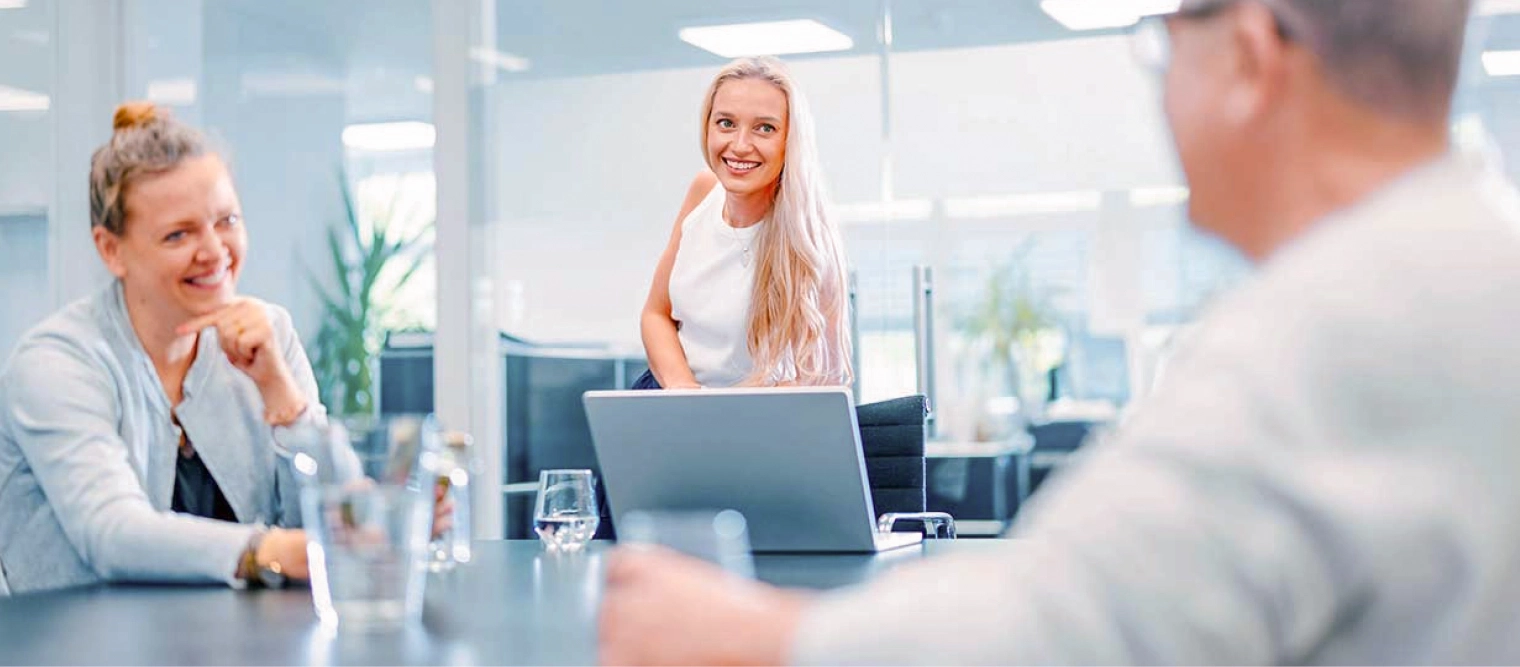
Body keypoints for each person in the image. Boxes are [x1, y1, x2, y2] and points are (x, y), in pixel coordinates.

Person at [599, 0, 1520, 663]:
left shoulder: (1322, 336)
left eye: (1160, 49)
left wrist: (758, 636)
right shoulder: (1471, 268)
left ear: (1248, 60)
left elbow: (1067, 622)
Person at [0, 102, 442, 594]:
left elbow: (333, 516)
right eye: (178, 234)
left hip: (237, 634)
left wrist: (282, 395)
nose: (214, 251)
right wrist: (274, 550)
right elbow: (112, 533)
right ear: (111, 250)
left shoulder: (268, 332)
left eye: (226, 220)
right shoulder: (55, 364)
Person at [636, 56, 852, 389]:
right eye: (726, 123)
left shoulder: (809, 236)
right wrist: (685, 391)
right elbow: (656, 314)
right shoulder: (703, 191)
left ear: (790, 140)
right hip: (673, 395)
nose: (739, 146)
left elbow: (825, 379)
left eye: (765, 128)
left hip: (759, 411)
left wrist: (724, 408)